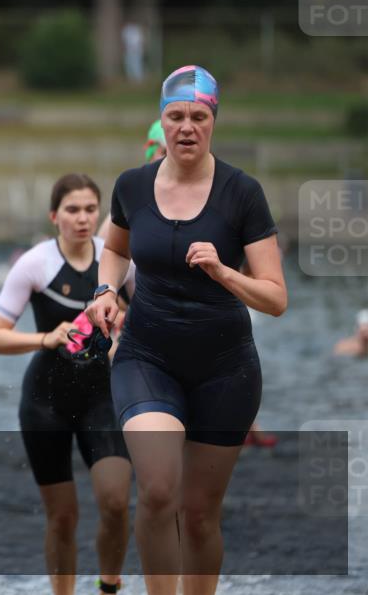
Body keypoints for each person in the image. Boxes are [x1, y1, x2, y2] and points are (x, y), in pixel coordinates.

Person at [87, 66, 287, 595]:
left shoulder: (242, 193)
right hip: (147, 357)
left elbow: (276, 298)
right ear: (161, 120)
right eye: (176, 116)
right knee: (156, 490)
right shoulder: (132, 185)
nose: (187, 127)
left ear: (214, 121)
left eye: (199, 116)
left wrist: (225, 273)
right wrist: (105, 292)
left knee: (199, 514)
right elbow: (113, 248)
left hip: (225, 368)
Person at [0, 173, 133, 595]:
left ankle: (109, 585)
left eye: (90, 209)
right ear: (54, 216)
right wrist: (45, 338)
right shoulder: (34, 264)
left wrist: (123, 341)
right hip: (44, 401)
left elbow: (148, 314)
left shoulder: (118, 259)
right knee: (63, 517)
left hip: (103, 397)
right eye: (72, 210)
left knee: (116, 502)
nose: (83, 219)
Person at [97, 119, 166, 241]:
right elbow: (104, 246)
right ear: (150, 152)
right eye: (164, 152)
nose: (170, 159)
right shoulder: (132, 195)